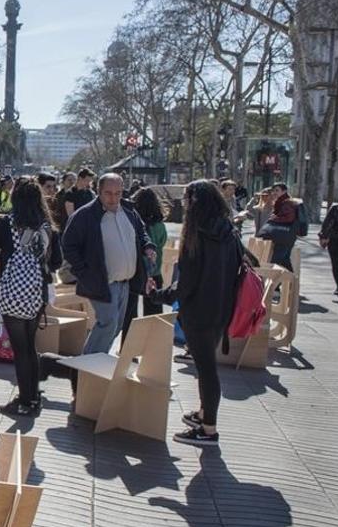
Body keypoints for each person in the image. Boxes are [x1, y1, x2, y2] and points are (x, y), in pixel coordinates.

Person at [147, 180, 240, 446]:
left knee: (206, 369)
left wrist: (157, 295)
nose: (184, 205)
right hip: (222, 309)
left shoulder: (196, 237)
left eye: (187, 200)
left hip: (199, 312)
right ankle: (203, 414)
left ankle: (208, 429)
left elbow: (185, 285)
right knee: (207, 366)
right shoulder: (228, 232)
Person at [0, 177, 60, 417]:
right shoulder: (47, 227)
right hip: (36, 293)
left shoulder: (7, 224)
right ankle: (33, 397)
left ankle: (24, 400)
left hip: (12, 292)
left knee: (19, 349)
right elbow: (56, 262)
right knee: (30, 347)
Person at [61, 173, 158, 355]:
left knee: (116, 326)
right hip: (101, 282)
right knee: (108, 322)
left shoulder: (129, 211)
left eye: (118, 193)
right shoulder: (85, 215)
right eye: (108, 193)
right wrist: (84, 272)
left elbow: (141, 232)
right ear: (99, 191)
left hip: (125, 283)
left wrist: (148, 246)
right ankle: (88, 368)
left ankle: (95, 363)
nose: (113, 198)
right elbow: (69, 246)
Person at [121, 187, 169, 340]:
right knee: (154, 313)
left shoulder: (132, 224)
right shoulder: (160, 226)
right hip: (155, 274)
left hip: (134, 273)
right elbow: (160, 244)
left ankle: (128, 350)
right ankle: (153, 346)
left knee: (130, 315)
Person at [261, 183, 298, 271]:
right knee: (285, 261)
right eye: (274, 190)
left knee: (275, 261)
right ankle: (292, 281)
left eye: (277, 190)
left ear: (284, 191)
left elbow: (289, 218)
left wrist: (275, 218)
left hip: (284, 236)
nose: (274, 193)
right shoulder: (281, 202)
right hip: (286, 235)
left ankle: (276, 283)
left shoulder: (287, 202)